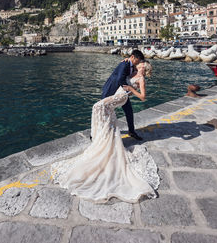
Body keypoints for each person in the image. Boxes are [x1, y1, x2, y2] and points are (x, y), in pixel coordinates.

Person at [51, 60, 159, 203]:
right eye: (139, 63)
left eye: (142, 64)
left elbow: (143, 97)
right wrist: (124, 61)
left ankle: (101, 136)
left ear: (144, 68)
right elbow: (122, 72)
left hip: (122, 96)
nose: (140, 64)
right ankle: (104, 137)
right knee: (102, 111)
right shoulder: (132, 72)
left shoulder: (141, 79)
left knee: (98, 107)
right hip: (118, 94)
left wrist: (132, 90)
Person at [102, 49, 145, 140]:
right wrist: (130, 90)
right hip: (111, 91)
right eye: (137, 61)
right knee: (104, 113)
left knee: (129, 111)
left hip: (122, 93)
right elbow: (120, 80)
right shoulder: (124, 64)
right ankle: (95, 134)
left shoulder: (132, 65)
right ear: (132, 57)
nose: (137, 63)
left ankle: (131, 132)